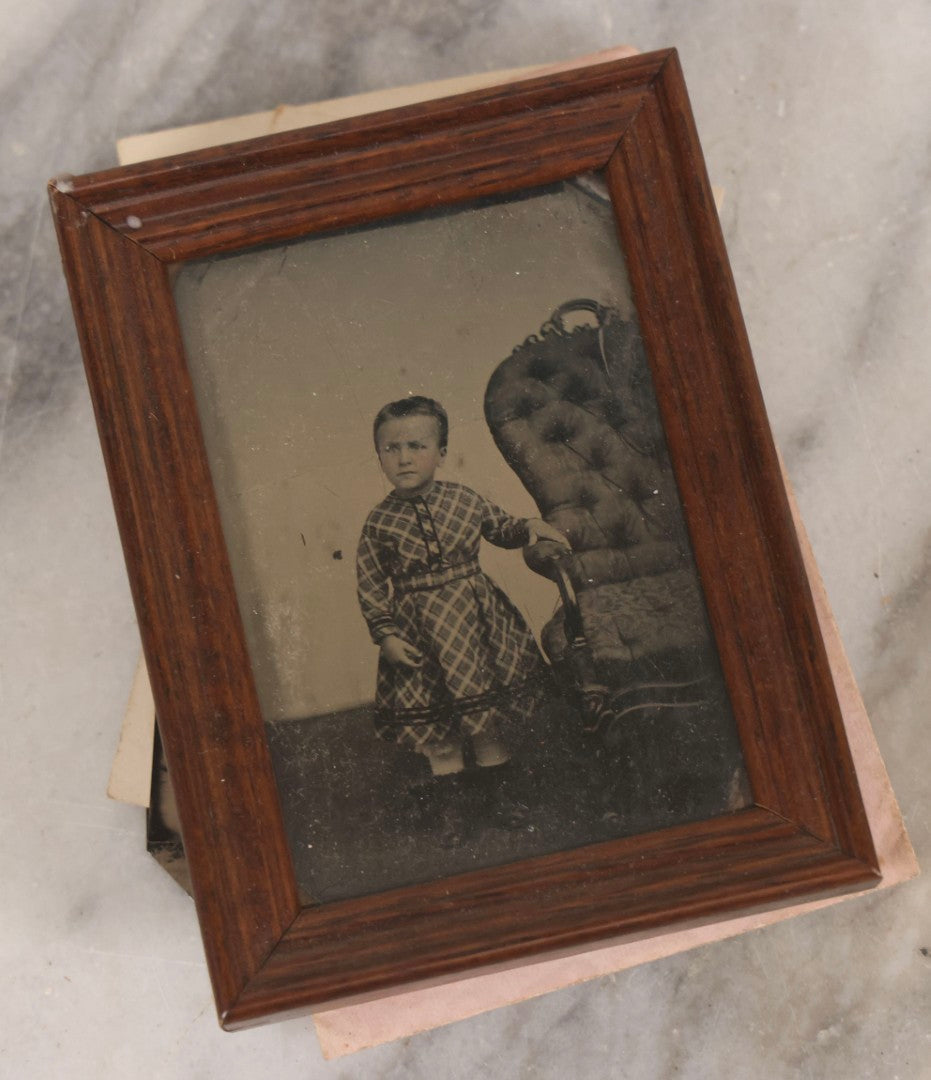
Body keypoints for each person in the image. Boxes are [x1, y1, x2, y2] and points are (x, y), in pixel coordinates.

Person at [356, 396, 569, 831]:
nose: (404, 458)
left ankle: (504, 801)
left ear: (442, 453)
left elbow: (501, 528)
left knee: (486, 724)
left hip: (475, 626)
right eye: (391, 449)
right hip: (421, 634)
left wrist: (529, 526)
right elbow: (371, 583)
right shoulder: (379, 523)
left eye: (416, 446)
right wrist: (387, 635)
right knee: (440, 732)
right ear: (379, 456)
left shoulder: (464, 499)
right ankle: (453, 810)